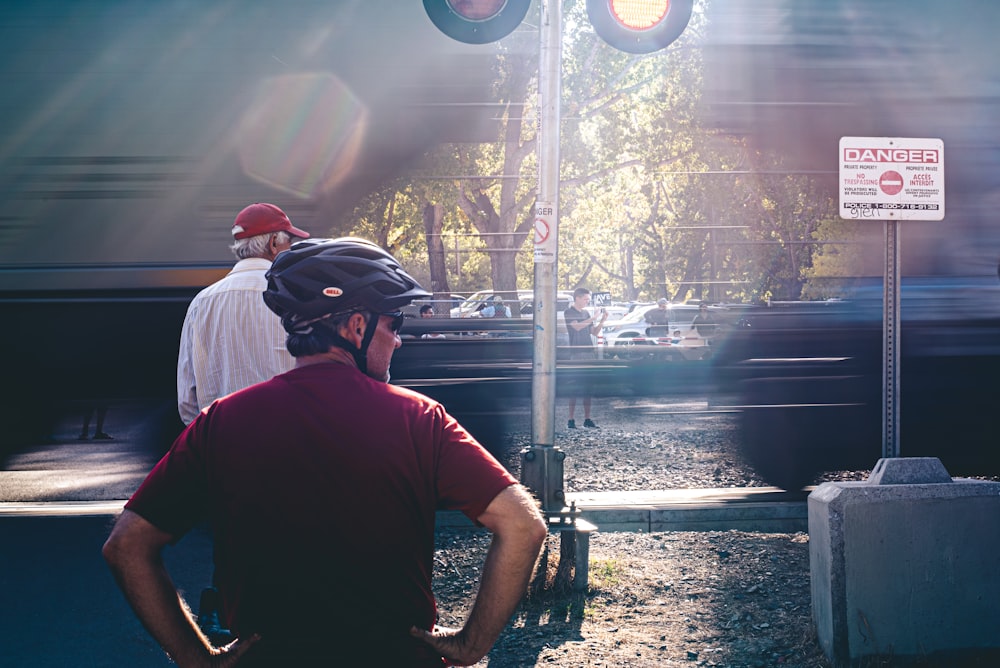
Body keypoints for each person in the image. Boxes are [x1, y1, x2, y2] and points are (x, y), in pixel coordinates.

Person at [103, 237, 547, 667]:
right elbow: (523, 526)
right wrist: (471, 644)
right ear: (356, 326)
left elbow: (126, 545)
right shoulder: (419, 418)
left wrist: (196, 658)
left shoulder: (222, 420)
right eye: (394, 324)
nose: (398, 340)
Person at [176, 203, 310, 426]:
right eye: (290, 242)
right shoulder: (297, 297)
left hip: (222, 444)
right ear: (274, 243)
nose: (291, 249)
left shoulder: (201, 303)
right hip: (288, 439)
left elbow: (187, 402)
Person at [564, 287, 607, 429]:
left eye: (588, 300)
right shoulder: (569, 312)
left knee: (588, 386)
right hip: (576, 352)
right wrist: (593, 318)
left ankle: (587, 418)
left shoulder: (587, 313)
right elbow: (576, 327)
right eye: (585, 299)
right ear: (577, 298)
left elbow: (594, 332)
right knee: (574, 386)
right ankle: (571, 419)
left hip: (588, 351)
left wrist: (602, 320)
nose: (587, 302)